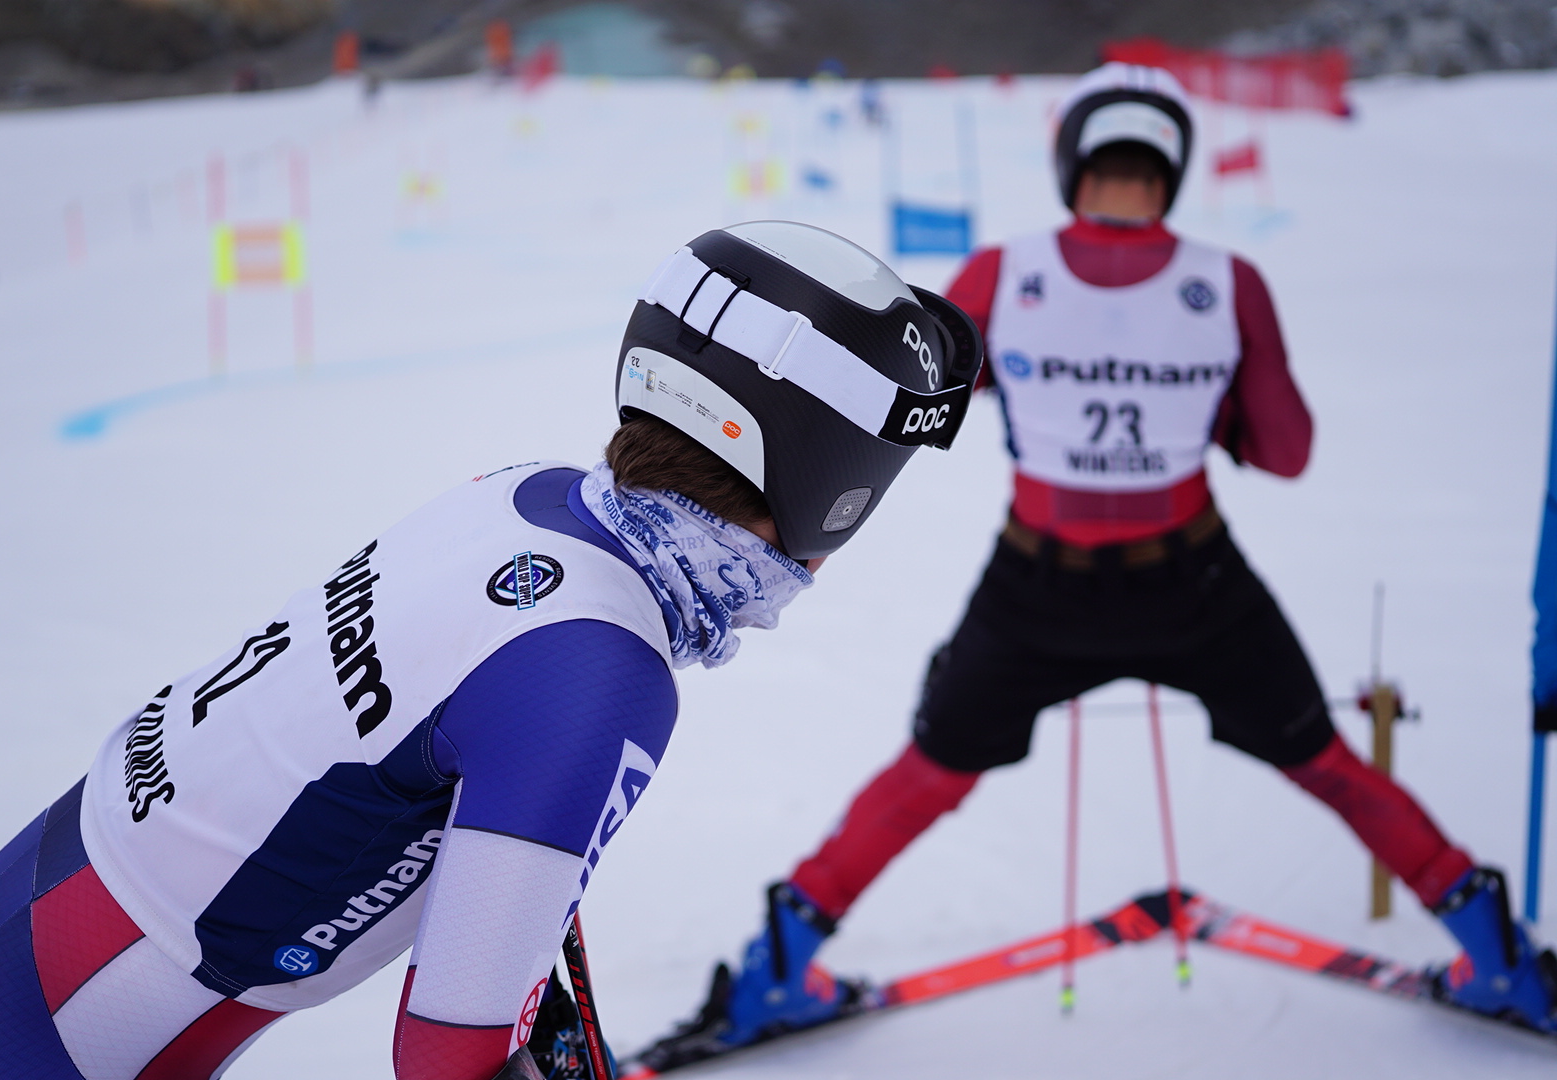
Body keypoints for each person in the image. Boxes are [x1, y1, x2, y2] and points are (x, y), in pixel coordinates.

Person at [641, 64, 1557, 1069]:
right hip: (1194, 580)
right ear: (1171, 166)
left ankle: (779, 967)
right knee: (1326, 764)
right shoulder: (1225, 281)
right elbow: (1286, 451)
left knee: (927, 776)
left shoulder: (1003, 270)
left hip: (1041, 586)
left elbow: (907, 398)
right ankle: (1493, 953)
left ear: (1070, 159)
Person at [0, 220, 983, 1080]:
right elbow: (452, 1056)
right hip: (83, 1027)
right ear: (826, 482)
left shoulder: (531, 499)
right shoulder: (601, 671)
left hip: (43, 915)